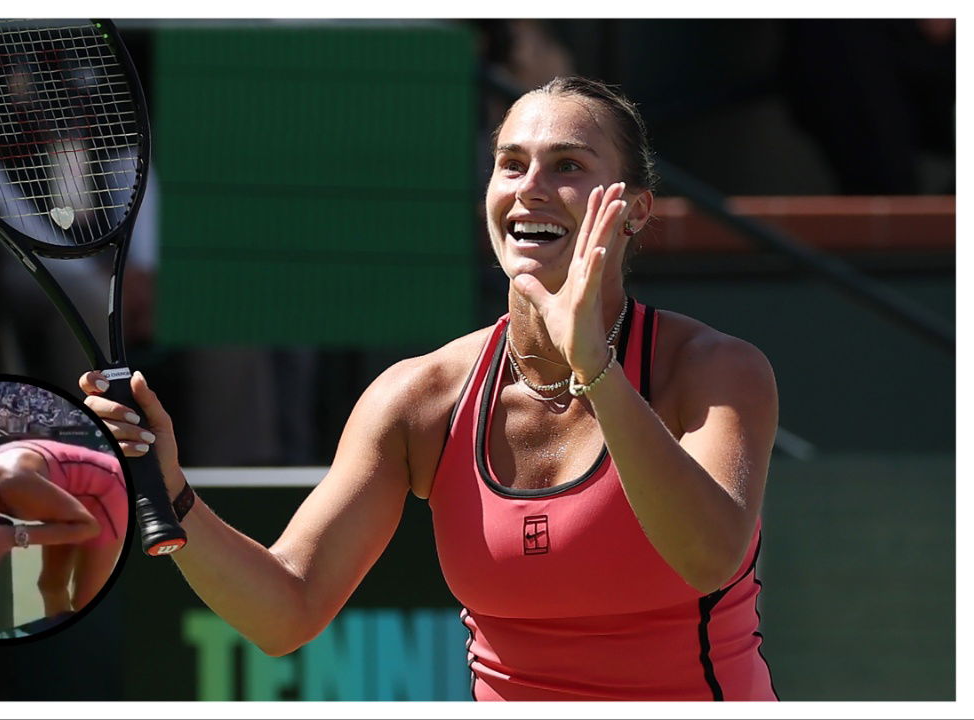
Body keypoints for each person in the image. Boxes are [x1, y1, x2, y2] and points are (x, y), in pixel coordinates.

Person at [80, 76, 778, 701]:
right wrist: (172, 491)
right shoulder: (419, 399)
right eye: (511, 164)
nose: (530, 186)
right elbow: (284, 611)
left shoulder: (715, 371)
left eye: (567, 165)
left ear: (632, 209)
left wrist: (595, 369)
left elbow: (708, 556)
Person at [0, 439, 129, 616]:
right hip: (70, 498)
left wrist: (14, 536)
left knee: (86, 600)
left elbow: (88, 528)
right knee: (51, 586)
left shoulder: (12, 483)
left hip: (107, 490)